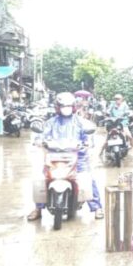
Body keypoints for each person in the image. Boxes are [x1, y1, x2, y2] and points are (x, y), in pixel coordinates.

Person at [27, 92, 104, 221]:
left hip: (77, 158)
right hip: (54, 157)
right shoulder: (50, 122)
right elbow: (42, 135)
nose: (66, 108)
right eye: (63, 106)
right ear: (57, 107)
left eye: (69, 106)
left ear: (73, 106)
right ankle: (38, 208)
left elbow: (88, 136)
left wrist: (88, 142)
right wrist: (39, 140)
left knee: (88, 179)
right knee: (42, 179)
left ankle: (97, 208)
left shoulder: (81, 122)